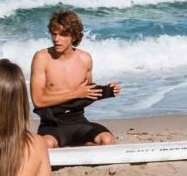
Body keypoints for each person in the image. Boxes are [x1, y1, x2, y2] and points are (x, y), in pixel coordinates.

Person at [30, 9, 120, 148]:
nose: (56, 39)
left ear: (73, 36)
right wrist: (75, 93)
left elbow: (87, 93)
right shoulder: (42, 58)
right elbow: (38, 100)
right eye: (54, 34)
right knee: (45, 144)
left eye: (63, 34)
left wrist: (107, 90)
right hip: (52, 125)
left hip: (79, 122)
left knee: (108, 140)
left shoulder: (85, 59)